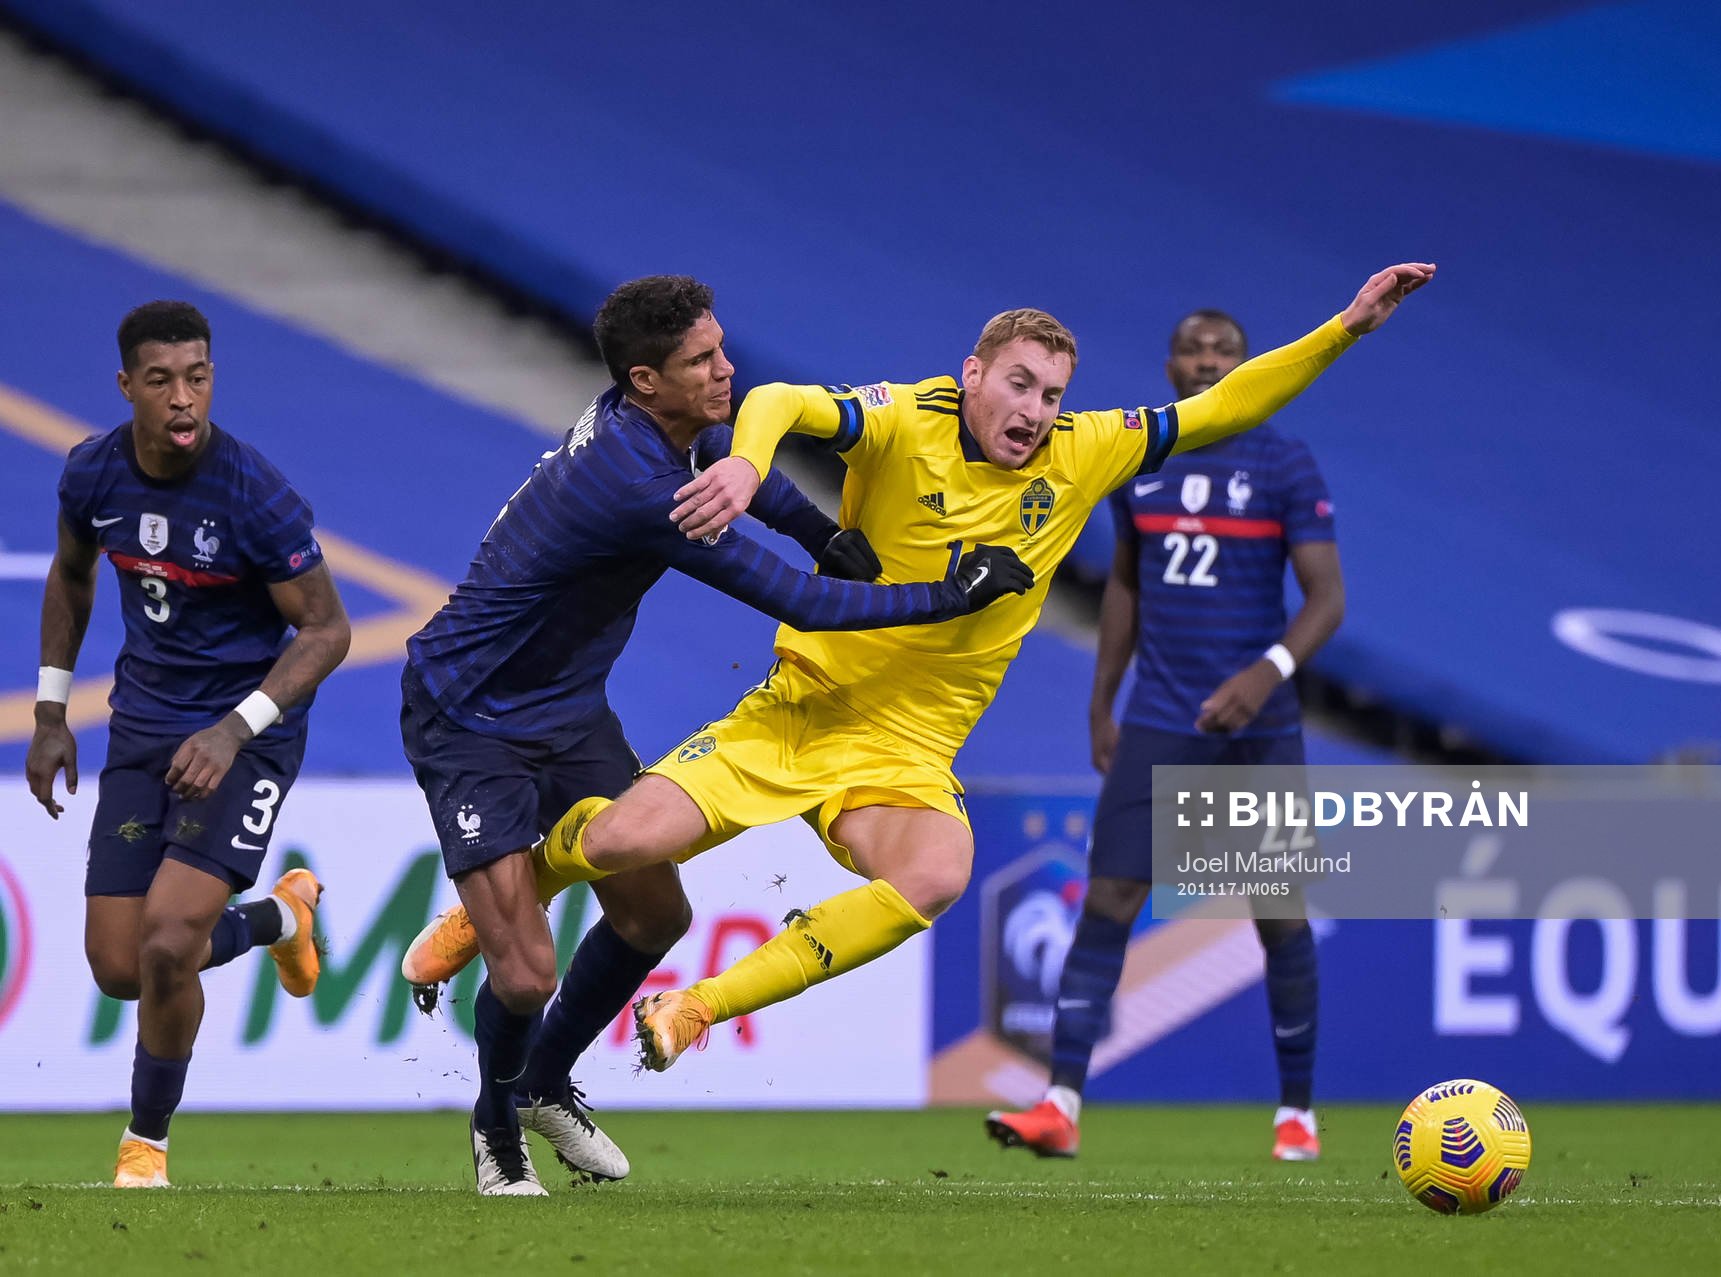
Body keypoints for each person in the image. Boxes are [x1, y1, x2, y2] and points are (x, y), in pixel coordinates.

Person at [412, 261, 1431, 1086]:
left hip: (904, 750)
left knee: (939, 871)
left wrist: (1346, 327)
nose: (1035, 410)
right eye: (1020, 384)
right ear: (973, 374)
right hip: (797, 709)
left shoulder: (1087, 454)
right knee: (627, 840)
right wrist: (743, 464)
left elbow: (1221, 408)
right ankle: (506, 894)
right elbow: (780, 400)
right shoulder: (904, 416)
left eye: (1052, 393)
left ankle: (696, 1005)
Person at [395, 275, 1033, 1196]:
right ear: (647, 379)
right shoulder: (633, 483)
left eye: (722, 348)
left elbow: (737, 463)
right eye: (703, 361)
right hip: (470, 716)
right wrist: (949, 596)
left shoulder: (650, 422)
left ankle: (543, 1082)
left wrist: (819, 527)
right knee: (528, 974)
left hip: (568, 707)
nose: (727, 369)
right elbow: (799, 602)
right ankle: (497, 1124)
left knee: (657, 913)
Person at [983, 308, 1346, 1161]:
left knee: (1277, 913)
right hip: (1160, 716)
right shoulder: (1142, 458)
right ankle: (1060, 1101)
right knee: (1110, 899)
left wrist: (1266, 674)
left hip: (1259, 726)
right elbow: (1126, 590)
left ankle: (1297, 1112)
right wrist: (1101, 702)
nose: (1207, 360)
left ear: (1246, 363)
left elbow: (1328, 601)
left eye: (1224, 350)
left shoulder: (1285, 461)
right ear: (1171, 361)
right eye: (1193, 349)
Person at [26, 301, 349, 1189]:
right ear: (126, 386)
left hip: (243, 732)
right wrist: (52, 714)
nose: (183, 398)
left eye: (198, 376)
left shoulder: (255, 493)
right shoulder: (93, 473)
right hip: (142, 727)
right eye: (162, 379)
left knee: (171, 944)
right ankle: (281, 918)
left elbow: (327, 632)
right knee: (120, 967)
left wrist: (234, 726)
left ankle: (145, 1149)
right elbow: (72, 574)